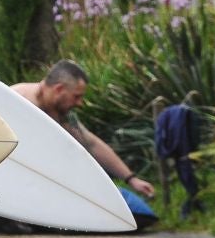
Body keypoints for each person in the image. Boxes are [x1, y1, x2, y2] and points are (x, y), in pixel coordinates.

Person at [12, 60, 155, 200]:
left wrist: (131, 179)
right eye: (76, 96)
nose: (79, 103)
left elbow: (91, 144)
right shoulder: (17, 100)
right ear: (59, 89)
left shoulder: (58, 112)